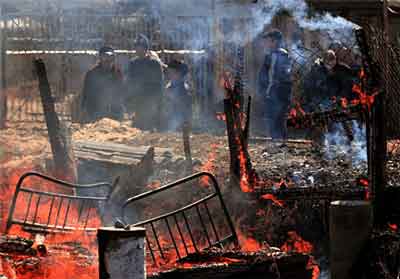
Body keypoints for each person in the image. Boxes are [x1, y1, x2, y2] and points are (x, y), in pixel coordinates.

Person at [257, 29, 292, 140]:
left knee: (276, 121)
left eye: (268, 40)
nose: (265, 43)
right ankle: (279, 145)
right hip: (277, 93)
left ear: (274, 41)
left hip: (276, 94)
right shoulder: (275, 54)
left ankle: (279, 145)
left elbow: (273, 76)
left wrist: (266, 92)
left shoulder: (277, 55)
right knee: (277, 121)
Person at [126, 34, 164, 131]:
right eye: (136, 47)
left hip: (151, 98)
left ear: (145, 48)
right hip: (138, 99)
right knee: (138, 127)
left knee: (151, 125)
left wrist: (157, 99)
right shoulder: (133, 63)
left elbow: (159, 83)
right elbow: (130, 82)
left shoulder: (154, 63)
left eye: (140, 47)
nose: (138, 50)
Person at [80, 46, 124, 123]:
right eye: (105, 57)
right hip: (96, 113)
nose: (108, 60)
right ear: (100, 58)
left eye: (110, 57)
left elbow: (122, 92)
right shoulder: (92, 74)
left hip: (114, 113)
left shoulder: (117, 73)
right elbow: (86, 93)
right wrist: (85, 109)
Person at [163, 60, 192, 131]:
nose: (169, 75)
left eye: (172, 72)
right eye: (169, 72)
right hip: (170, 121)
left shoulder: (183, 88)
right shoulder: (170, 85)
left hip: (178, 123)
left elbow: (184, 109)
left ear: (178, 73)